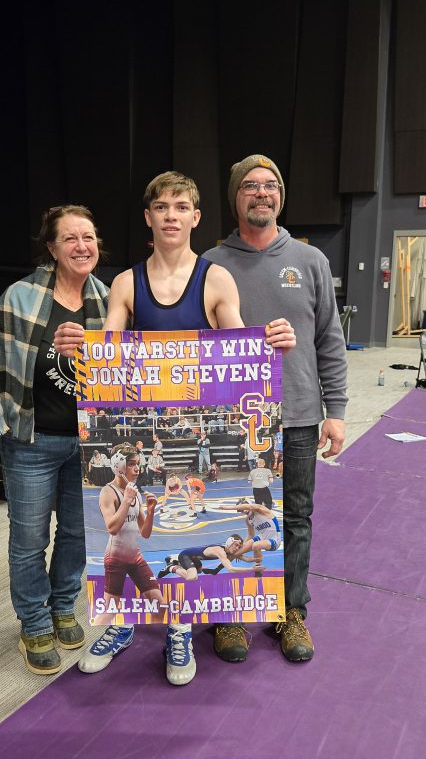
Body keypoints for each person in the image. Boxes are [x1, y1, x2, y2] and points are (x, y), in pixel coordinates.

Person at [55, 170, 294, 686]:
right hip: (140, 428)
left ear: (196, 217)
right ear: (148, 217)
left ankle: (180, 628)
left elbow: (243, 352)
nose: (171, 216)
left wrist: (274, 343)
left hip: (181, 419)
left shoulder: (215, 279)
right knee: (125, 543)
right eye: (161, 207)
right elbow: (106, 361)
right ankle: (120, 625)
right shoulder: (126, 283)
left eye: (181, 207)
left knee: (174, 544)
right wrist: (80, 347)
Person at [0, 204, 109, 675]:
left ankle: (63, 607)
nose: (82, 246)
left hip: (88, 442)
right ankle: (34, 623)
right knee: (28, 539)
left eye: (89, 237)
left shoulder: (110, 299)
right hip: (32, 441)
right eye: (71, 239)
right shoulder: (20, 299)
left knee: (79, 536)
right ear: (52, 248)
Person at [204, 154, 348, 665]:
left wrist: (337, 410)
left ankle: (291, 612)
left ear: (280, 196)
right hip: (232, 420)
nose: (261, 193)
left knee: (296, 517)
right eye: (250, 186)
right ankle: (229, 616)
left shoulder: (311, 261)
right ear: (235, 197)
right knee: (228, 519)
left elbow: (330, 339)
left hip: (299, 415)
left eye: (270, 185)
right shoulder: (210, 263)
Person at [88, 444, 165, 629]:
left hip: (135, 558)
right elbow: (112, 528)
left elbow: (145, 533)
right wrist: (127, 500)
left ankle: (153, 644)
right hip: (115, 559)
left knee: (159, 605)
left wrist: (151, 511)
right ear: (118, 466)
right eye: (131, 464)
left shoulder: (134, 492)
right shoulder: (108, 492)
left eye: (137, 463)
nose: (137, 468)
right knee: (111, 610)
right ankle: (94, 637)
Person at [220, 498, 283, 576]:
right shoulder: (248, 520)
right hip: (262, 537)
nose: (245, 511)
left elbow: (250, 507)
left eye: (244, 508)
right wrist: (240, 549)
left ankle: (257, 570)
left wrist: (228, 508)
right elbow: (250, 535)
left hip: (274, 539)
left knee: (256, 545)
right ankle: (217, 570)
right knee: (235, 553)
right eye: (242, 510)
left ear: (249, 505)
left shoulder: (261, 509)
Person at [156, 536, 256, 580]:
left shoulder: (229, 552)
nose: (237, 548)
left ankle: (175, 560)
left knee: (199, 571)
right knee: (192, 577)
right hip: (186, 555)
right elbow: (231, 569)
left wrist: (258, 558)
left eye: (239, 546)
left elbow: (247, 558)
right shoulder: (220, 551)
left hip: (195, 558)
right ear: (229, 543)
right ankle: (171, 567)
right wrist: (251, 570)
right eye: (236, 545)